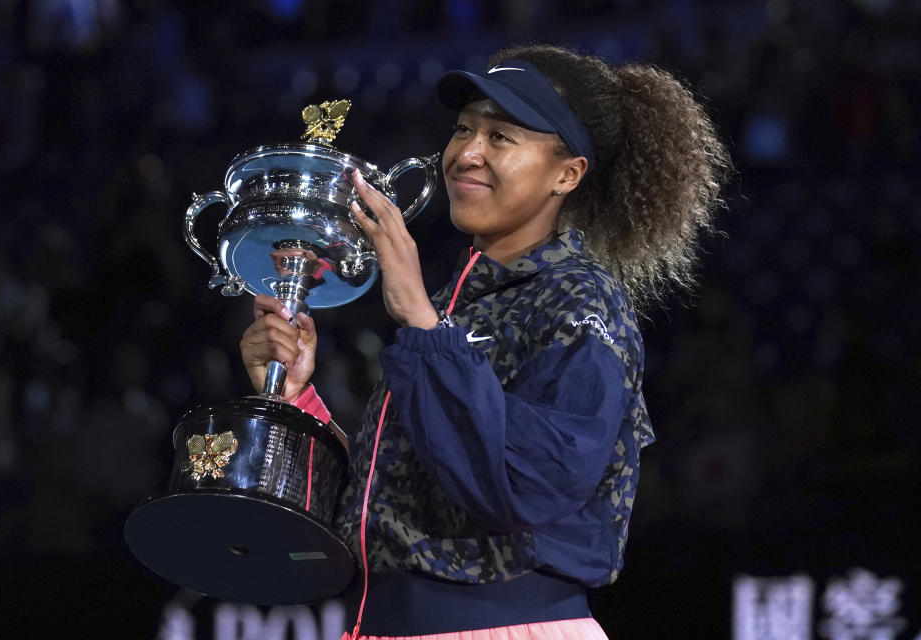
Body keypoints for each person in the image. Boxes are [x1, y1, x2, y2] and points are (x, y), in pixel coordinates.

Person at [240, 44, 730, 640]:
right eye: (464, 129)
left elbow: (524, 485)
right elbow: (392, 503)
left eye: (501, 137)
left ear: (566, 174)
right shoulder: (459, 304)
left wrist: (420, 322)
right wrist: (297, 399)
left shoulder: (580, 302)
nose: (466, 153)